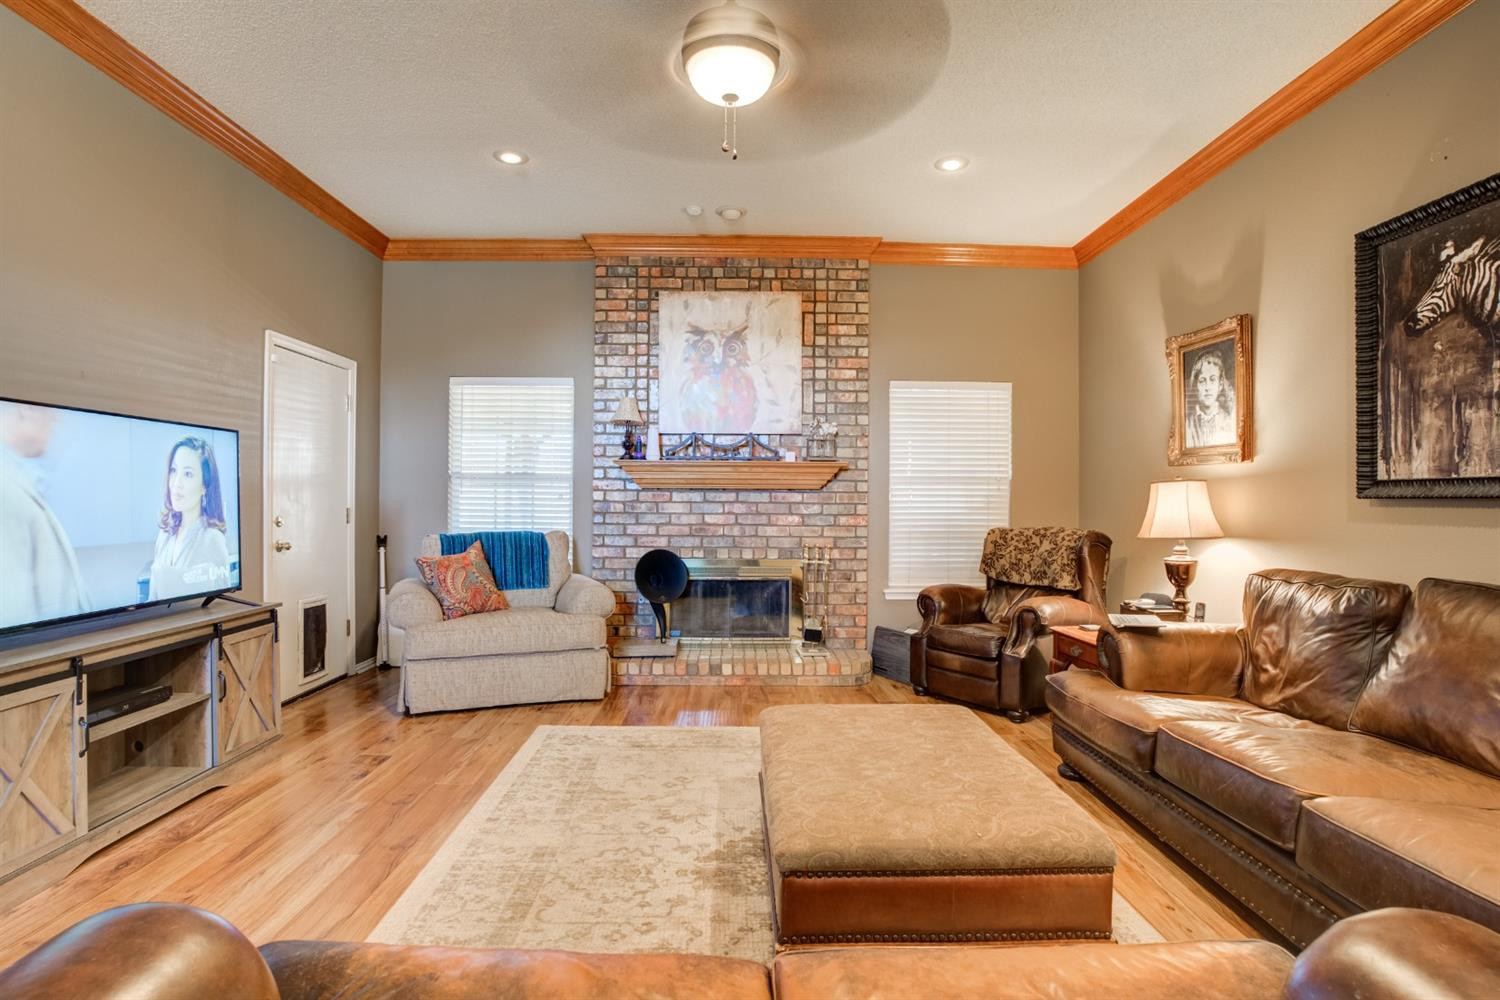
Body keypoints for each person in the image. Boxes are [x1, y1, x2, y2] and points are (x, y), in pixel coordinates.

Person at [0, 402, 90, 629]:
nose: (56, 419)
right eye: (49, 410)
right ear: (25, 409)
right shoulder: (6, 489)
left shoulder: (18, 477)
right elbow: (12, 613)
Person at [148, 436, 232, 601]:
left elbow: (221, 604)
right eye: (173, 471)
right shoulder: (165, 534)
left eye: (187, 474)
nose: (176, 483)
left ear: (204, 486)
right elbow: (153, 599)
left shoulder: (212, 539)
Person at [1185, 350, 1236, 448]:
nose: (1207, 387)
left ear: (1220, 385)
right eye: (1202, 381)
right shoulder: (1188, 424)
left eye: (1212, 380)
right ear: (1196, 386)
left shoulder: (1229, 421)